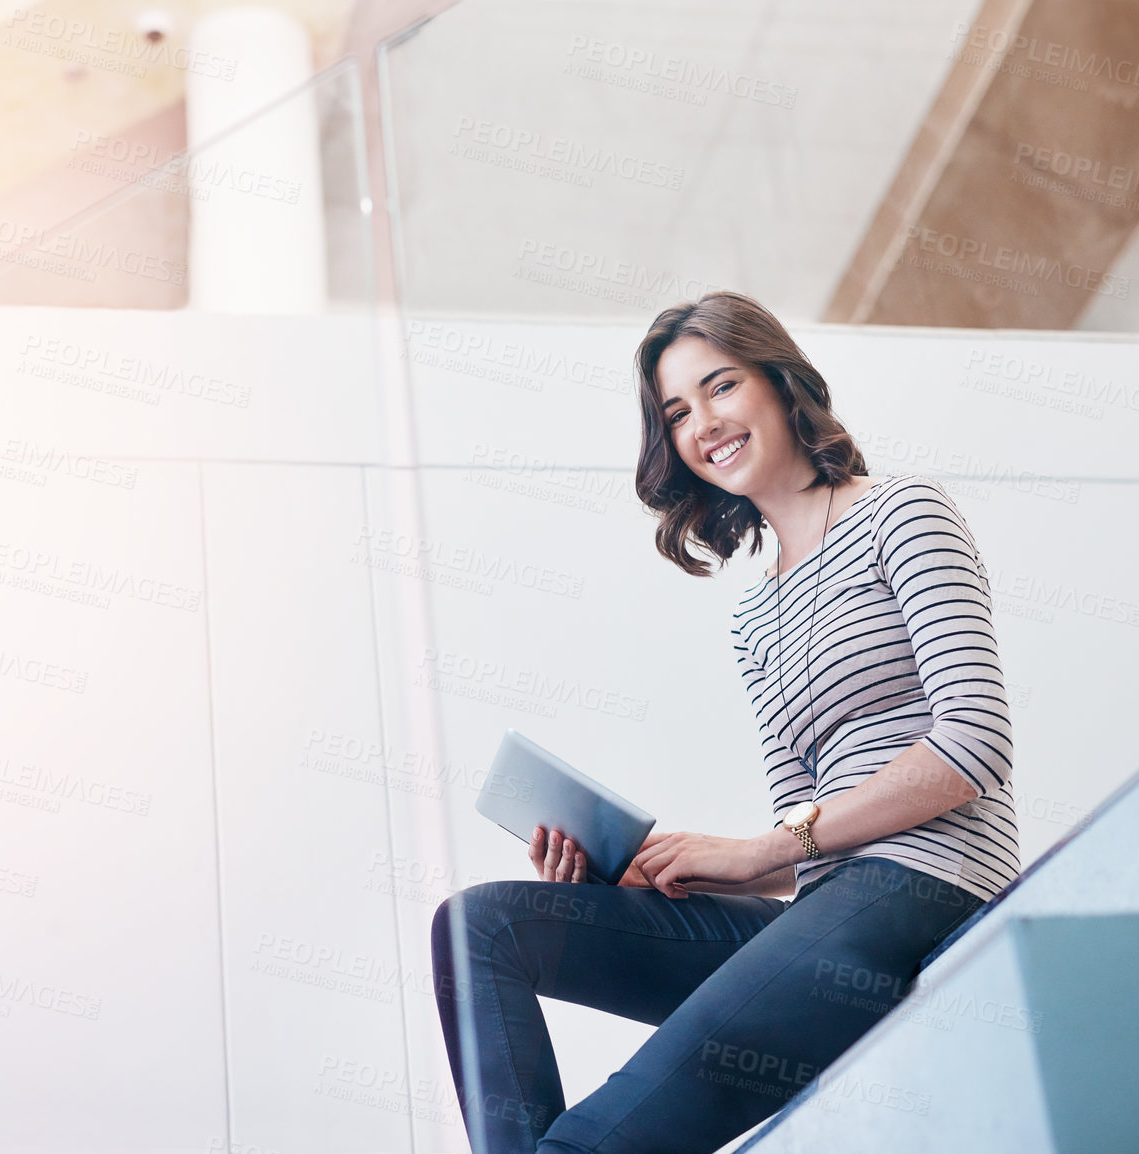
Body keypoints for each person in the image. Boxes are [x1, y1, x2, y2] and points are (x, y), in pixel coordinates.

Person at [429, 291, 1020, 1153]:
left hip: (925, 890)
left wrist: (762, 849)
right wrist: (657, 872)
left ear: (780, 384)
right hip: (824, 910)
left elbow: (977, 741)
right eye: (676, 412)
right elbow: (799, 854)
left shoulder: (903, 511)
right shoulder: (758, 617)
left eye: (720, 387)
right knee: (481, 928)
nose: (702, 422)